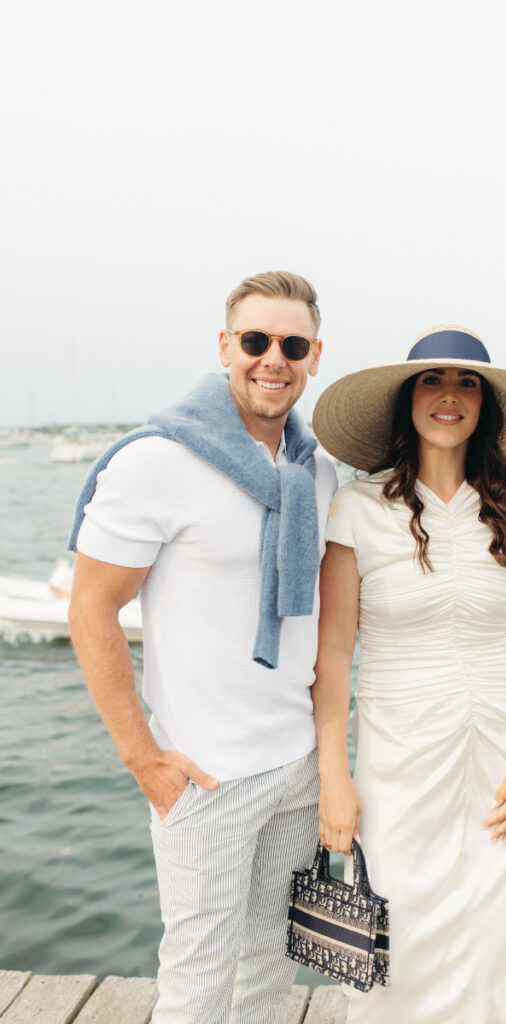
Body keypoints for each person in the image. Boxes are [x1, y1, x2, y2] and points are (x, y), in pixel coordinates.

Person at [68, 271, 338, 1024]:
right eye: (255, 341)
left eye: (291, 344)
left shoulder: (315, 469)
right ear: (226, 346)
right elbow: (92, 609)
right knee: (196, 981)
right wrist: (141, 756)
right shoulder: (157, 460)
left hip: (296, 767)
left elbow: (342, 607)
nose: (271, 359)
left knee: (267, 970)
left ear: (315, 356)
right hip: (205, 775)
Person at [310, 325, 506, 1024]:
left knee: (492, 943)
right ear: (407, 399)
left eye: (467, 384)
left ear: (484, 406)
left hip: (504, 757)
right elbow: (333, 650)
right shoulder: (358, 508)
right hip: (397, 756)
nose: (449, 396)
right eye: (433, 380)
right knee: (394, 938)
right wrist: (333, 777)